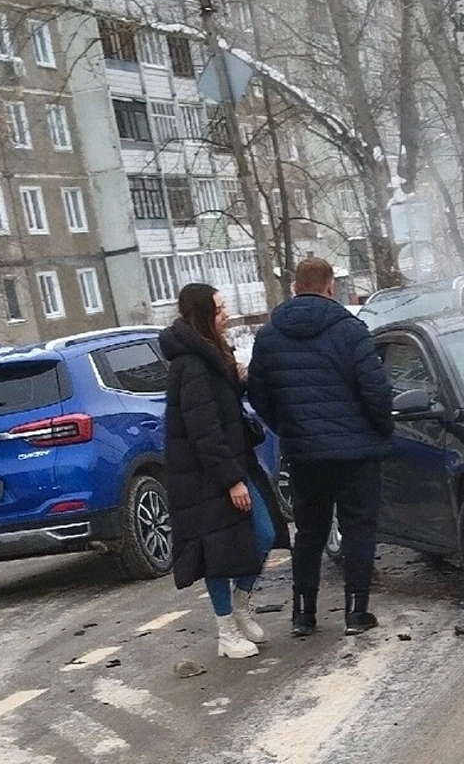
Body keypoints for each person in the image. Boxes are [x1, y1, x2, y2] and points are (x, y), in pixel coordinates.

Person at [246, 257, 395, 637]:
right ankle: (356, 612)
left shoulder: (268, 336)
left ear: (296, 287)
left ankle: (303, 613)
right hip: (356, 453)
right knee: (358, 527)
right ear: (330, 286)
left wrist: (289, 429)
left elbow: (259, 395)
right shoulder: (350, 330)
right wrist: (381, 431)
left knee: (310, 532)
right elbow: (376, 391)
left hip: (303, 454)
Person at [160, 283, 289, 661]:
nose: (226, 313)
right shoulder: (191, 364)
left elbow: (220, 407)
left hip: (231, 462)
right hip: (206, 476)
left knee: (263, 534)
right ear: (202, 315)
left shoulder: (212, 352)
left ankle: (241, 604)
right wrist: (231, 479)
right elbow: (203, 429)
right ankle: (226, 630)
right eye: (219, 309)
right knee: (214, 550)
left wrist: (239, 378)